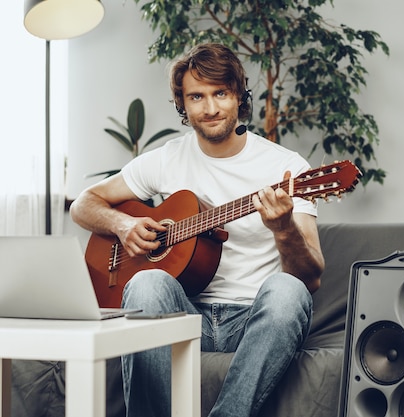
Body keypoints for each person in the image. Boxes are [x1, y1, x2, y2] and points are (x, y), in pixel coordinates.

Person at [69, 43, 325, 417]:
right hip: (185, 316)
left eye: (220, 93)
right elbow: (83, 204)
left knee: (289, 290)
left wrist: (283, 228)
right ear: (182, 105)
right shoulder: (166, 159)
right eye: (196, 96)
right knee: (145, 283)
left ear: (238, 95)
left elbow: (311, 277)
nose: (209, 108)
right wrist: (123, 225)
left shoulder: (287, 169)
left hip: (254, 317)